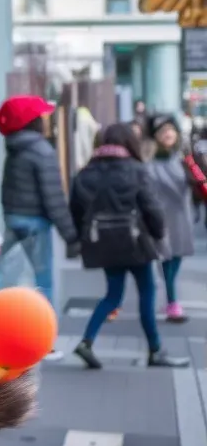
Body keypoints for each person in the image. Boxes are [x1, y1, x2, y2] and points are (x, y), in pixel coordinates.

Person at [69, 123, 188, 369]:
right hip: (136, 243)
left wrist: (83, 238)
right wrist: (158, 233)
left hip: (104, 243)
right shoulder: (136, 169)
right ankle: (155, 350)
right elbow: (151, 206)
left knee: (112, 295)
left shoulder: (86, 172)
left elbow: (76, 209)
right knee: (147, 292)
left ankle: (86, 342)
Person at [0, 95, 80, 309]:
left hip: (13, 218)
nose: (45, 119)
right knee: (43, 281)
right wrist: (70, 235)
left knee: (0, 272)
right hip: (36, 224)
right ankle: (45, 328)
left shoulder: (13, 148)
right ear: (33, 122)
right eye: (41, 116)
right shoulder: (42, 150)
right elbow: (54, 198)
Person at [146, 114, 196, 322]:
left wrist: (192, 164)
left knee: (177, 257)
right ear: (155, 136)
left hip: (182, 215)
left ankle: (170, 297)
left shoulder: (184, 159)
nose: (168, 134)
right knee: (165, 258)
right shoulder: (149, 162)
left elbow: (199, 181)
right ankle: (172, 301)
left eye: (171, 130)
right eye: (163, 131)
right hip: (161, 217)